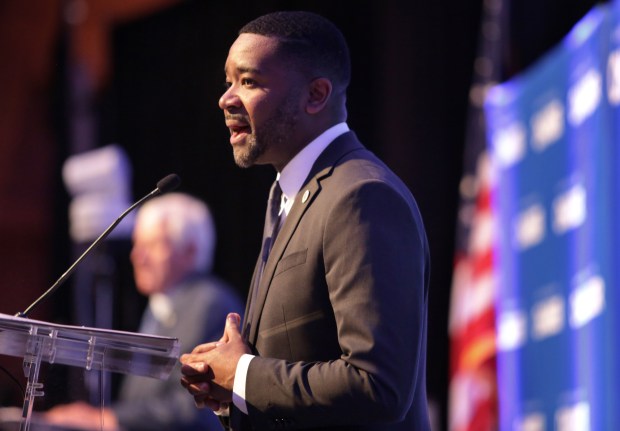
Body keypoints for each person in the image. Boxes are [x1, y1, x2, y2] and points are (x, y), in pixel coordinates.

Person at [180, 10, 431, 431]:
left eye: (249, 81)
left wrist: (243, 372)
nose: (226, 99)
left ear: (315, 95)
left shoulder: (362, 196)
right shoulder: (286, 194)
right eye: (228, 82)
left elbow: (378, 385)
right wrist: (233, 391)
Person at [42, 193, 244, 431]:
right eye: (137, 244)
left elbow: (197, 406)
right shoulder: (162, 304)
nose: (137, 256)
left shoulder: (209, 303)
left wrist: (107, 418)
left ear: (190, 250)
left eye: (153, 245)